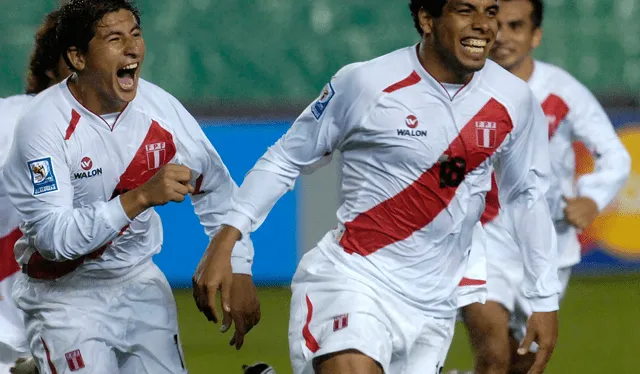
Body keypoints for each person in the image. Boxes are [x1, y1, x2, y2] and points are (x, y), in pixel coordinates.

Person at [193, 1, 561, 373]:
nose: (484, 24)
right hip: (355, 277)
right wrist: (227, 243)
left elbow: (526, 196)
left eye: (490, 11)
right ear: (427, 19)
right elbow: (285, 159)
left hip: (434, 303)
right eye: (466, 10)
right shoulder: (368, 83)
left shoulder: (514, 99)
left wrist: (544, 300)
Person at [4, 0, 258, 373]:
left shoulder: (159, 109)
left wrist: (238, 263)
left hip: (139, 285)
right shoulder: (43, 125)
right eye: (115, 38)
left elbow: (216, 186)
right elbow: (53, 239)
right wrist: (139, 197)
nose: (132, 48)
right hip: (64, 299)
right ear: (76, 58)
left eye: (136, 35)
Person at [454, 1, 631, 374]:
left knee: (524, 365)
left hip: (548, 248)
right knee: (493, 351)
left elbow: (615, 155)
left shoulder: (562, 91)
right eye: (494, 25)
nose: (501, 37)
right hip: (481, 241)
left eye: (515, 27)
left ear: (535, 36)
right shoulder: (459, 89)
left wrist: (592, 197)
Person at [0, 9, 72, 374]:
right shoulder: (9, 121)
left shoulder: (125, 129)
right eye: (74, 53)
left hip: (84, 328)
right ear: (50, 66)